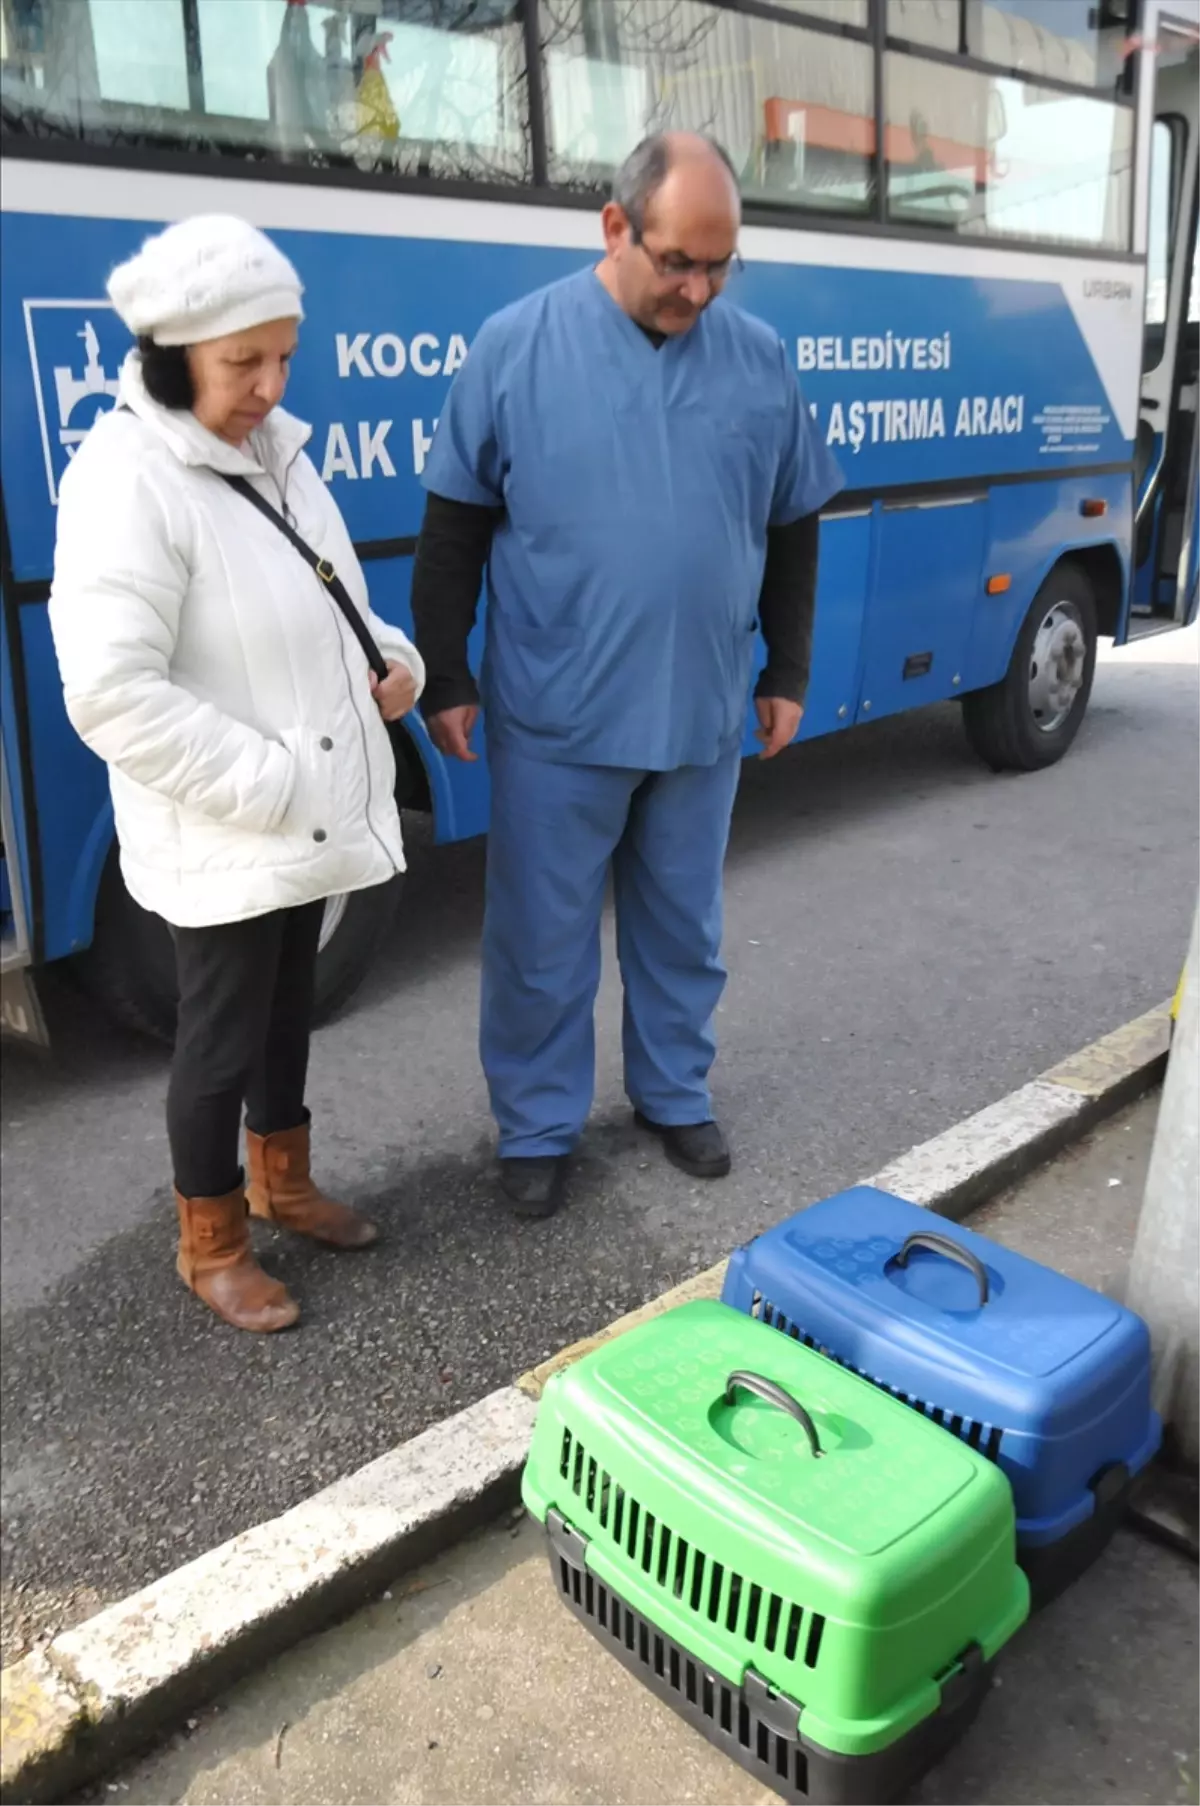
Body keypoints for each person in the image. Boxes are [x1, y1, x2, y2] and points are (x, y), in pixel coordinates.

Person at [411, 132, 843, 1220]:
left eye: (718, 265)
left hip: (699, 712)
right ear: (615, 228)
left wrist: (787, 667)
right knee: (540, 942)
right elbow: (453, 529)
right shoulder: (516, 349)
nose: (697, 289)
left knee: (682, 928)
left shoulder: (758, 361)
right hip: (557, 713)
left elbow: (794, 524)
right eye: (676, 263)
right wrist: (447, 678)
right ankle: (540, 1125)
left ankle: (672, 1093)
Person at [48, 215, 425, 1333]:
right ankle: (210, 1243)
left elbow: (336, 604)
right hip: (229, 822)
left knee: (288, 1016)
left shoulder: (279, 459)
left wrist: (393, 661)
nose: (269, 385)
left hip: (297, 818)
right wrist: (269, 785)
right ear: (171, 357)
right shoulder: (126, 479)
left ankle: (284, 1185)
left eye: (283, 358)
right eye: (242, 363)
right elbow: (110, 693)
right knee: (216, 1043)